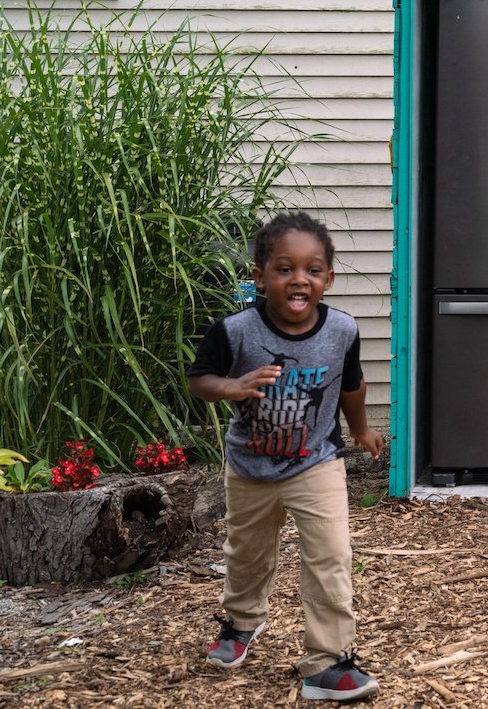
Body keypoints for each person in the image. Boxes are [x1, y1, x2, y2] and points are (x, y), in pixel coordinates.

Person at [187, 211, 386, 700]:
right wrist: (231, 385)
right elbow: (199, 380)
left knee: (330, 557)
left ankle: (327, 661)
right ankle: (241, 622)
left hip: (316, 462)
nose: (300, 279)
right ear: (260, 276)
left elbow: (352, 385)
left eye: (313, 269)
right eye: (284, 268)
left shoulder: (342, 329)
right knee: (248, 555)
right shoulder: (234, 330)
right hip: (251, 467)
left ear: (328, 278)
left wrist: (359, 430)